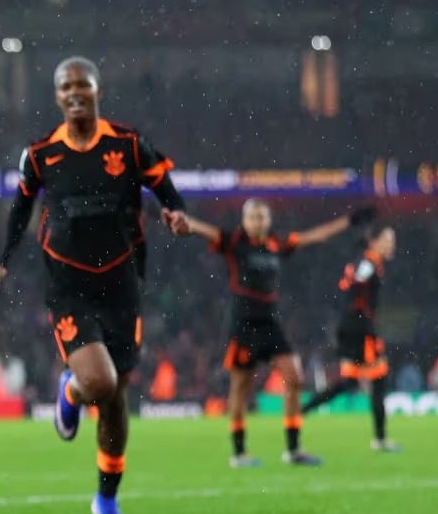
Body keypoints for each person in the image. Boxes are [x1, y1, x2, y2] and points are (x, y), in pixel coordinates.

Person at [0, 56, 188, 514]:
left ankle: (106, 499)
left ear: (98, 90)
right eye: (65, 86)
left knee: (117, 399)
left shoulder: (129, 145)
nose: (74, 92)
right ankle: (71, 389)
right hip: (69, 286)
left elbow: (168, 191)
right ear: (56, 96)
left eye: (82, 84)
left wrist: (176, 214)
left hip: (122, 285)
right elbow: (19, 211)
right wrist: (1, 263)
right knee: (99, 384)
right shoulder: (40, 155)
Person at [169, 200, 376, 467]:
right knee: (241, 387)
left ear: (269, 220)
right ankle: (239, 452)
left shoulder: (277, 244)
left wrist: (349, 221)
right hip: (244, 322)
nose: (258, 222)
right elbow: (204, 230)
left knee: (295, 378)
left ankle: (293, 448)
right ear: (244, 221)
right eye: (253, 217)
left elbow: (314, 236)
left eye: (262, 217)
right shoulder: (234, 242)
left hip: (270, 323)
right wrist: (183, 220)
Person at [302, 225, 400, 451]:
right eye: (387, 239)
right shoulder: (368, 263)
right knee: (379, 380)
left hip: (352, 327)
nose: (391, 244)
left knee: (350, 382)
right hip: (360, 328)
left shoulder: (369, 263)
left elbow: (348, 284)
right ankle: (381, 439)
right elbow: (350, 285)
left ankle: (303, 410)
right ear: (373, 242)